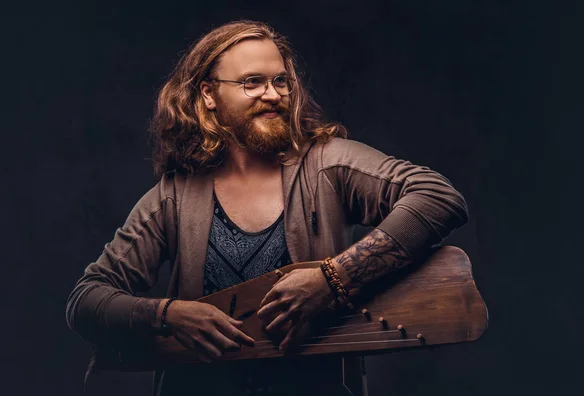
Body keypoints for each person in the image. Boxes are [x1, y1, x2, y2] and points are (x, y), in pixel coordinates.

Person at [66, 20, 468, 396]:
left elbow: (437, 197)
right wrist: (169, 314)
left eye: (280, 82)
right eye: (252, 82)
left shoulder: (327, 166)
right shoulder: (174, 197)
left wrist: (332, 279)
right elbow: (86, 300)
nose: (273, 94)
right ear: (209, 94)